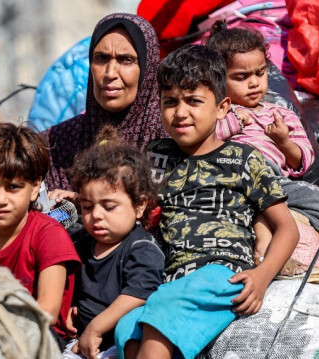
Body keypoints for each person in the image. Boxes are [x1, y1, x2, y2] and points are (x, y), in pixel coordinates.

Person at [114, 44, 299, 359]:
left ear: (222, 107)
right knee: (125, 328)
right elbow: (127, 202)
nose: (180, 112)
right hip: (173, 277)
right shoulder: (156, 155)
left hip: (221, 273)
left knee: (164, 306)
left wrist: (262, 275)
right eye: (170, 102)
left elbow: (287, 229)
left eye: (194, 101)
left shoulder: (243, 159)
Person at [207, 22, 319, 281]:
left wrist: (283, 141)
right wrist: (235, 122)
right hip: (236, 179)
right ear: (217, 79)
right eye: (241, 77)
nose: (253, 83)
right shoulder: (218, 111)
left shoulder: (281, 114)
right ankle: (267, 255)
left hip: (279, 182)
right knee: (256, 213)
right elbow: (207, 137)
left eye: (260, 73)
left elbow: (301, 160)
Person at [0, 123, 81, 347]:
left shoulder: (48, 235)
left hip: (39, 337)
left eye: (13, 187)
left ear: (34, 187)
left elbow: (47, 311)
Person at [62, 127, 165, 359]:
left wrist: (96, 328)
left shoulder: (142, 248)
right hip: (82, 341)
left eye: (109, 207)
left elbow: (139, 292)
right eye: (87, 207)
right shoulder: (81, 245)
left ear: (139, 206)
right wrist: (67, 306)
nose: (96, 215)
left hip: (121, 344)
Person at [43, 13, 168, 194]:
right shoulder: (55, 143)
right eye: (101, 58)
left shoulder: (170, 138)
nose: (110, 73)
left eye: (126, 60)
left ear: (147, 69)